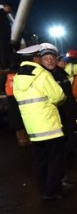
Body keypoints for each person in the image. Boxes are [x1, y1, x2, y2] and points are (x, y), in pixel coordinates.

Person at [11, 44, 68, 200]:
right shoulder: (42, 74)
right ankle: (53, 191)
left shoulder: (17, 77)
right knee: (55, 160)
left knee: (40, 160)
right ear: (36, 58)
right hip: (49, 125)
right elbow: (58, 96)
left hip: (32, 127)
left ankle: (43, 189)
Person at [39, 43, 77, 160]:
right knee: (59, 143)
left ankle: (72, 154)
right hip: (54, 115)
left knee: (72, 135)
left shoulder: (62, 72)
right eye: (46, 59)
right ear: (41, 61)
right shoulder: (43, 76)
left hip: (68, 112)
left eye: (51, 58)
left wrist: (75, 112)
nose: (49, 61)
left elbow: (69, 94)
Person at [0, 2, 14, 71]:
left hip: (4, 38)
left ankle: (5, 66)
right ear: (6, 7)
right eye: (10, 8)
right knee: (3, 52)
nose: (11, 10)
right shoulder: (1, 14)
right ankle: (4, 67)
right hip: (2, 38)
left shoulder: (4, 15)